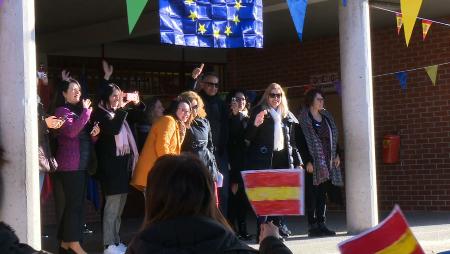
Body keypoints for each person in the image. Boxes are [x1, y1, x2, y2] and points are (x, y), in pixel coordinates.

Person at [126, 154, 293, 254]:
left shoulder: (140, 247)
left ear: (154, 196)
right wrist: (271, 243)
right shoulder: (231, 247)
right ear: (207, 194)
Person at [245, 83, 303, 241]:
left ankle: (276, 233)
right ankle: (262, 233)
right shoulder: (259, 111)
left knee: (279, 197)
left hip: (282, 158)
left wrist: (298, 161)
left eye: (279, 95)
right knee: (265, 198)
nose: (276, 98)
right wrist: (256, 124)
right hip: (264, 159)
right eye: (273, 95)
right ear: (267, 96)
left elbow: (292, 142)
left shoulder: (286, 115)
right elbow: (248, 137)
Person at [53, 78, 100, 254]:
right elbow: (72, 132)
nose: (77, 92)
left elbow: (84, 139)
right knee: (74, 205)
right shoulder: (61, 110)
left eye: (79, 90)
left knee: (77, 204)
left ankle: (65, 243)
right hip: (70, 166)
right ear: (64, 94)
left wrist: (94, 135)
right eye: (72, 89)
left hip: (81, 164)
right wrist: (87, 112)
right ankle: (73, 242)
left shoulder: (79, 112)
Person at [93, 83, 140, 254]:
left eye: (119, 95)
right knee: (112, 207)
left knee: (120, 207)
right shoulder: (100, 114)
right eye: (114, 96)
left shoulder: (116, 113)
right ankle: (108, 244)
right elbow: (113, 128)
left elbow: (139, 115)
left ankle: (116, 240)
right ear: (105, 97)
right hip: (109, 169)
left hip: (122, 168)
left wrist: (135, 103)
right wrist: (122, 108)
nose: (117, 99)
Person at [297, 88, 344, 237]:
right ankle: (313, 225)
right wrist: (307, 161)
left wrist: (337, 154)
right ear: (311, 101)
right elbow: (300, 143)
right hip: (313, 163)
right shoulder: (303, 119)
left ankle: (322, 223)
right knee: (312, 194)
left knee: (322, 194)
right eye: (319, 99)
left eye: (323, 99)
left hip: (327, 162)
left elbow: (333, 137)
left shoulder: (326, 117)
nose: (322, 101)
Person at [130, 98, 192, 192]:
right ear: (175, 109)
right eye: (182, 110)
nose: (186, 113)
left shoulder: (175, 123)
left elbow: (172, 148)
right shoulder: (168, 120)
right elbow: (162, 146)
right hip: (155, 174)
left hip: (158, 174)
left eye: (188, 111)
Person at [196, 69, 230, 217]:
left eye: (216, 85)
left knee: (222, 192)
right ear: (203, 84)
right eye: (210, 84)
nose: (213, 88)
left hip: (219, 153)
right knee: (203, 191)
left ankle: (222, 226)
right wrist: (193, 81)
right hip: (201, 152)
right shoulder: (197, 101)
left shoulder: (221, 104)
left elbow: (226, 128)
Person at [227, 90, 252, 240]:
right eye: (237, 99)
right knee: (233, 198)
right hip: (233, 163)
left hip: (246, 162)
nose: (240, 101)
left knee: (243, 199)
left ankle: (242, 229)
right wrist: (236, 115)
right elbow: (233, 139)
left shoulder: (249, 118)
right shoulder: (229, 118)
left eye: (243, 99)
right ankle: (232, 229)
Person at [179, 91, 218, 180]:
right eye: (191, 107)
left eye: (196, 106)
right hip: (189, 168)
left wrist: (215, 167)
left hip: (207, 166)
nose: (194, 110)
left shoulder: (204, 121)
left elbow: (210, 146)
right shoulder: (180, 122)